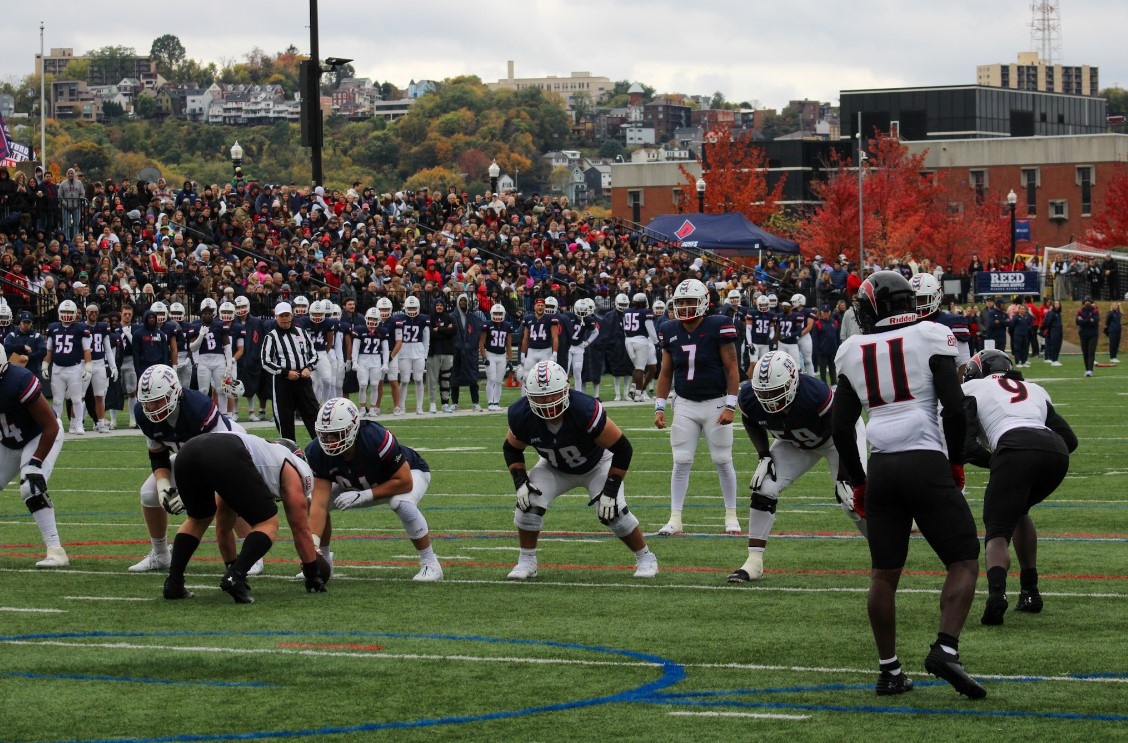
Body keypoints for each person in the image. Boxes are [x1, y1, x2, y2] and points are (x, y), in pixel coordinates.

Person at [832, 270, 985, 699]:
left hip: (881, 465)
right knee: (963, 559)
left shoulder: (851, 350)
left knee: (884, 574)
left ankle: (889, 670)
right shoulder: (932, 335)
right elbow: (955, 409)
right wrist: (955, 463)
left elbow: (841, 425)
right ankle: (946, 648)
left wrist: (859, 482)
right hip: (924, 458)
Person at [503, 361, 658, 580]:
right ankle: (527, 560)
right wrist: (520, 482)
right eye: (539, 397)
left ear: (566, 390)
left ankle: (645, 557)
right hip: (554, 467)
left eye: (552, 395)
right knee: (528, 502)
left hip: (597, 464)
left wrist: (611, 490)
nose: (547, 402)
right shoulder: (522, 414)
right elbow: (511, 448)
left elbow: (623, 449)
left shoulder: (584, 409)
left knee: (612, 511)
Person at [961, 350, 1077, 625]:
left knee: (997, 528)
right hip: (1056, 453)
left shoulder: (971, 388)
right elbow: (1069, 440)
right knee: (1019, 510)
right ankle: (1030, 591)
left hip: (1014, 447)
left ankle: (997, 595)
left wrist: (1001, 463)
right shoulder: (1033, 388)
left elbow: (965, 447)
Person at [729, 351, 866, 582]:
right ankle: (753, 563)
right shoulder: (750, 397)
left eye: (775, 391)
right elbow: (750, 420)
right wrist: (764, 455)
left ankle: (883, 551)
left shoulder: (815, 394)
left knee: (852, 501)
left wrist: (845, 475)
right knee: (764, 487)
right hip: (794, 443)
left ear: (793, 381)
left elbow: (844, 428)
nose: (770, 399)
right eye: (764, 393)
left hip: (838, 440)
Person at [162, 432, 326, 604]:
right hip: (225, 452)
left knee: (198, 519)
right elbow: (300, 529)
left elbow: (224, 526)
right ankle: (235, 578)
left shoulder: (258, 455)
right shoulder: (293, 467)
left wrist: (231, 565)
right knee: (268, 522)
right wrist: (312, 573)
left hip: (188, 451)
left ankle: (174, 582)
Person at [128, 363, 250, 573]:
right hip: (191, 456)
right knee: (148, 493)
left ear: (175, 393)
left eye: (158, 401)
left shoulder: (197, 407)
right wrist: (163, 486)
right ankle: (160, 555)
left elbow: (218, 462)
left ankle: (250, 553)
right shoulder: (143, 414)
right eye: (148, 403)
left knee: (228, 492)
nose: (152, 408)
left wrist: (189, 494)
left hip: (230, 451)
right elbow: (158, 456)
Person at [305, 397, 443, 582]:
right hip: (358, 483)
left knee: (400, 502)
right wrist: (312, 547)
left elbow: (405, 482)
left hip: (408, 474)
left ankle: (430, 563)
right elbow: (320, 504)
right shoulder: (316, 451)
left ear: (352, 427)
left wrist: (365, 495)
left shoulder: (375, 437)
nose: (329, 440)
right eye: (324, 434)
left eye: (336, 434)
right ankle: (324, 559)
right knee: (311, 501)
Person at [654, 278, 742, 535]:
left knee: (723, 460)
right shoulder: (669, 329)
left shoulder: (719, 325)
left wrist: (731, 406)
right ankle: (675, 518)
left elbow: (732, 368)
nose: (684, 307)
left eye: (690, 301)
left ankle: (731, 515)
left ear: (704, 302)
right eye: (680, 302)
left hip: (715, 402)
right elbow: (665, 372)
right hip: (684, 403)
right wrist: (659, 407)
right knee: (681, 461)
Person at [0, 346, 68, 567]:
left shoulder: (17, 380)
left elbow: (50, 425)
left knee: (31, 484)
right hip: (8, 441)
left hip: (40, 434)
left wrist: (36, 462)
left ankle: (56, 550)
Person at [261, 302, 320, 439]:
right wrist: (286, 372)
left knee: (313, 416)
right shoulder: (271, 336)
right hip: (284, 382)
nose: (284, 319)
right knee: (285, 419)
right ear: (276, 317)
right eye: (281, 316)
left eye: (287, 315)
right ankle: (291, 452)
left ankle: (320, 449)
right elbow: (265, 361)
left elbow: (314, 355)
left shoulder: (302, 333)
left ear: (292, 316)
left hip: (303, 380)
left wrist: (308, 368)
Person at [42, 300, 93, 436]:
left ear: (75, 313)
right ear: (59, 312)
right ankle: (56, 425)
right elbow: (49, 350)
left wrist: (88, 367)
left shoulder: (81, 328)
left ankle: (78, 425)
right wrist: (45, 365)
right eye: (64, 311)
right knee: (57, 399)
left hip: (74, 368)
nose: (66, 315)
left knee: (76, 399)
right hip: (58, 369)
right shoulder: (53, 328)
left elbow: (87, 350)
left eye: (69, 312)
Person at [83, 304, 117, 433]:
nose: (93, 314)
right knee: (79, 395)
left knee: (99, 395)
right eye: (90, 312)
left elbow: (108, 349)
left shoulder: (103, 327)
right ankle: (77, 423)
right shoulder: (81, 327)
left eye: (95, 312)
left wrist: (113, 366)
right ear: (86, 313)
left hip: (99, 363)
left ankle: (101, 423)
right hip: (85, 363)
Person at [396, 295, 430, 415]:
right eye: (409, 308)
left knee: (419, 379)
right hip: (404, 352)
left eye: (413, 308)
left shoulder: (423, 319)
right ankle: (401, 407)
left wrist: (425, 354)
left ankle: (419, 407)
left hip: (418, 351)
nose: (411, 310)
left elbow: (426, 339)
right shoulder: (399, 319)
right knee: (404, 380)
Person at [451, 293, 484, 412]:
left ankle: (475, 403)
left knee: (473, 379)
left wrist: (470, 346)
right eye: (461, 301)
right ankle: (455, 403)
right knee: (454, 379)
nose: (463, 303)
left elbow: (478, 333)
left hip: (470, 353)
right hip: (456, 353)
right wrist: (457, 346)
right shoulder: (452, 317)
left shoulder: (474, 318)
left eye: (465, 301)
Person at [353, 307, 388, 418]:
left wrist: (385, 363)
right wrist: (354, 361)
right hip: (363, 359)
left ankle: (372, 408)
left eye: (374, 319)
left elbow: (386, 349)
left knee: (374, 385)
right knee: (363, 385)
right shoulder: (360, 330)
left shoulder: (382, 331)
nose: (372, 321)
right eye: (370, 318)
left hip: (376, 359)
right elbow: (356, 348)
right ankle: (363, 408)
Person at [481, 304, 516, 412]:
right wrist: (484, 357)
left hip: (501, 356)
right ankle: (490, 403)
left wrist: (510, 360)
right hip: (490, 354)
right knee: (491, 380)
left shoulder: (507, 326)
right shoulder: (487, 325)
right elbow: (481, 343)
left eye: (500, 313)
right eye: (496, 313)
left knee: (498, 381)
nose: (497, 315)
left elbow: (509, 345)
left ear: (503, 314)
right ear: (491, 314)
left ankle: (496, 402)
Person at [623, 293, 658, 401]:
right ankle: (638, 394)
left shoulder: (627, 311)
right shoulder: (645, 312)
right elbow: (650, 329)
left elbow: (625, 328)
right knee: (640, 368)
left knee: (638, 366)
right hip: (641, 340)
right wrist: (657, 341)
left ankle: (634, 388)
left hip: (628, 340)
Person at [563, 297, 600, 394]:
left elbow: (596, 332)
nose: (581, 315)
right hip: (568, 347)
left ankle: (578, 393)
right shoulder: (568, 316)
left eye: (583, 312)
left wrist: (588, 342)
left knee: (577, 370)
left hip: (579, 347)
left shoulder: (588, 319)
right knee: (565, 371)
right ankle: (563, 391)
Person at [426, 297, 455, 413]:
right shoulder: (430, 318)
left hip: (447, 352)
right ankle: (432, 403)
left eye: (441, 305)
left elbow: (454, 331)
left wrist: (438, 329)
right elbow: (431, 334)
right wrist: (445, 331)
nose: (439, 307)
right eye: (437, 305)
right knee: (432, 380)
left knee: (446, 379)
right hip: (433, 353)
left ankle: (445, 403)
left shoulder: (449, 317)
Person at [519, 297, 559, 373]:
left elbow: (555, 337)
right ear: (534, 306)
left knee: (545, 376)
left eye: (542, 305)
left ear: (544, 307)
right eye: (538, 305)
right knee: (527, 375)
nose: (540, 307)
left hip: (546, 351)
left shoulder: (551, 318)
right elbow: (525, 338)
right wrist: (522, 354)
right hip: (531, 351)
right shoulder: (528, 318)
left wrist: (554, 353)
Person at [4, 310, 47, 380]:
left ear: (32, 323)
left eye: (28, 322)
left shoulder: (37, 336)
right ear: (20, 322)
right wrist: (22, 347)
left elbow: (43, 351)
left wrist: (28, 357)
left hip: (33, 372)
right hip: (15, 372)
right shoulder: (12, 335)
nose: (26, 325)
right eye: (24, 322)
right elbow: (6, 348)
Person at [809, 305, 839, 386]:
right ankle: (824, 384)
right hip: (822, 351)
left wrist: (837, 346)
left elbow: (837, 335)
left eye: (827, 312)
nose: (826, 313)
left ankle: (834, 383)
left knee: (832, 368)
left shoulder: (834, 322)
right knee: (822, 369)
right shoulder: (818, 323)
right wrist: (818, 349)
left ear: (830, 312)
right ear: (821, 313)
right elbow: (814, 337)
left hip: (832, 350)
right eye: (824, 312)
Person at [745, 295, 775, 374]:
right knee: (753, 364)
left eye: (765, 305)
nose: (764, 307)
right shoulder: (752, 313)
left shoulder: (771, 315)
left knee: (764, 366)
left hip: (765, 343)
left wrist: (770, 338)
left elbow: (772, 330)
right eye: (761, 305)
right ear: (757, 304)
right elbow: (748, 329)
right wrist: (750, 344)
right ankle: (750, 383)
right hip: (754, 342)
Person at [792, 294, 816, 375]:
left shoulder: (808, 311)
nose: (793, 303)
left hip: (804, 336)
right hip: (794, 337)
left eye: (794, 301)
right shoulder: (792, 311)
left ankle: (811, 378)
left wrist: (799, 334)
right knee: (795, 360)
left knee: (808, 360)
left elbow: (809, 326)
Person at [1075, 296, 1099, 377]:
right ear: (1084, 302)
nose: (1087, 302)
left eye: (1089, 301)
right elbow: (1078, 322)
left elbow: (1095, 322)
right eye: (1086, 301)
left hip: (1093, 335)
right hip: (1083, 334)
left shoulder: (1095, 310)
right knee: (1085, 352)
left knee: (1091, 352)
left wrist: (1084, 320)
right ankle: (1086, 369)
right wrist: (1089, 320)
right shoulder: (1081, 311)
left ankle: (1090, 370)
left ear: (1091, 302)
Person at [1040, 300, 1064, 366]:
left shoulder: (1058, 313)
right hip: (1054, 331)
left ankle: (1056, 359)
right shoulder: (1052, 313)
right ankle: (1053, 360)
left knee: (1058, 346)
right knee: (1054, 346)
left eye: (1058, 304)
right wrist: (1049, 330)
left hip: (1059, 331)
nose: (1057, 305)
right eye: (1055, 304)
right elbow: (1047, 323)